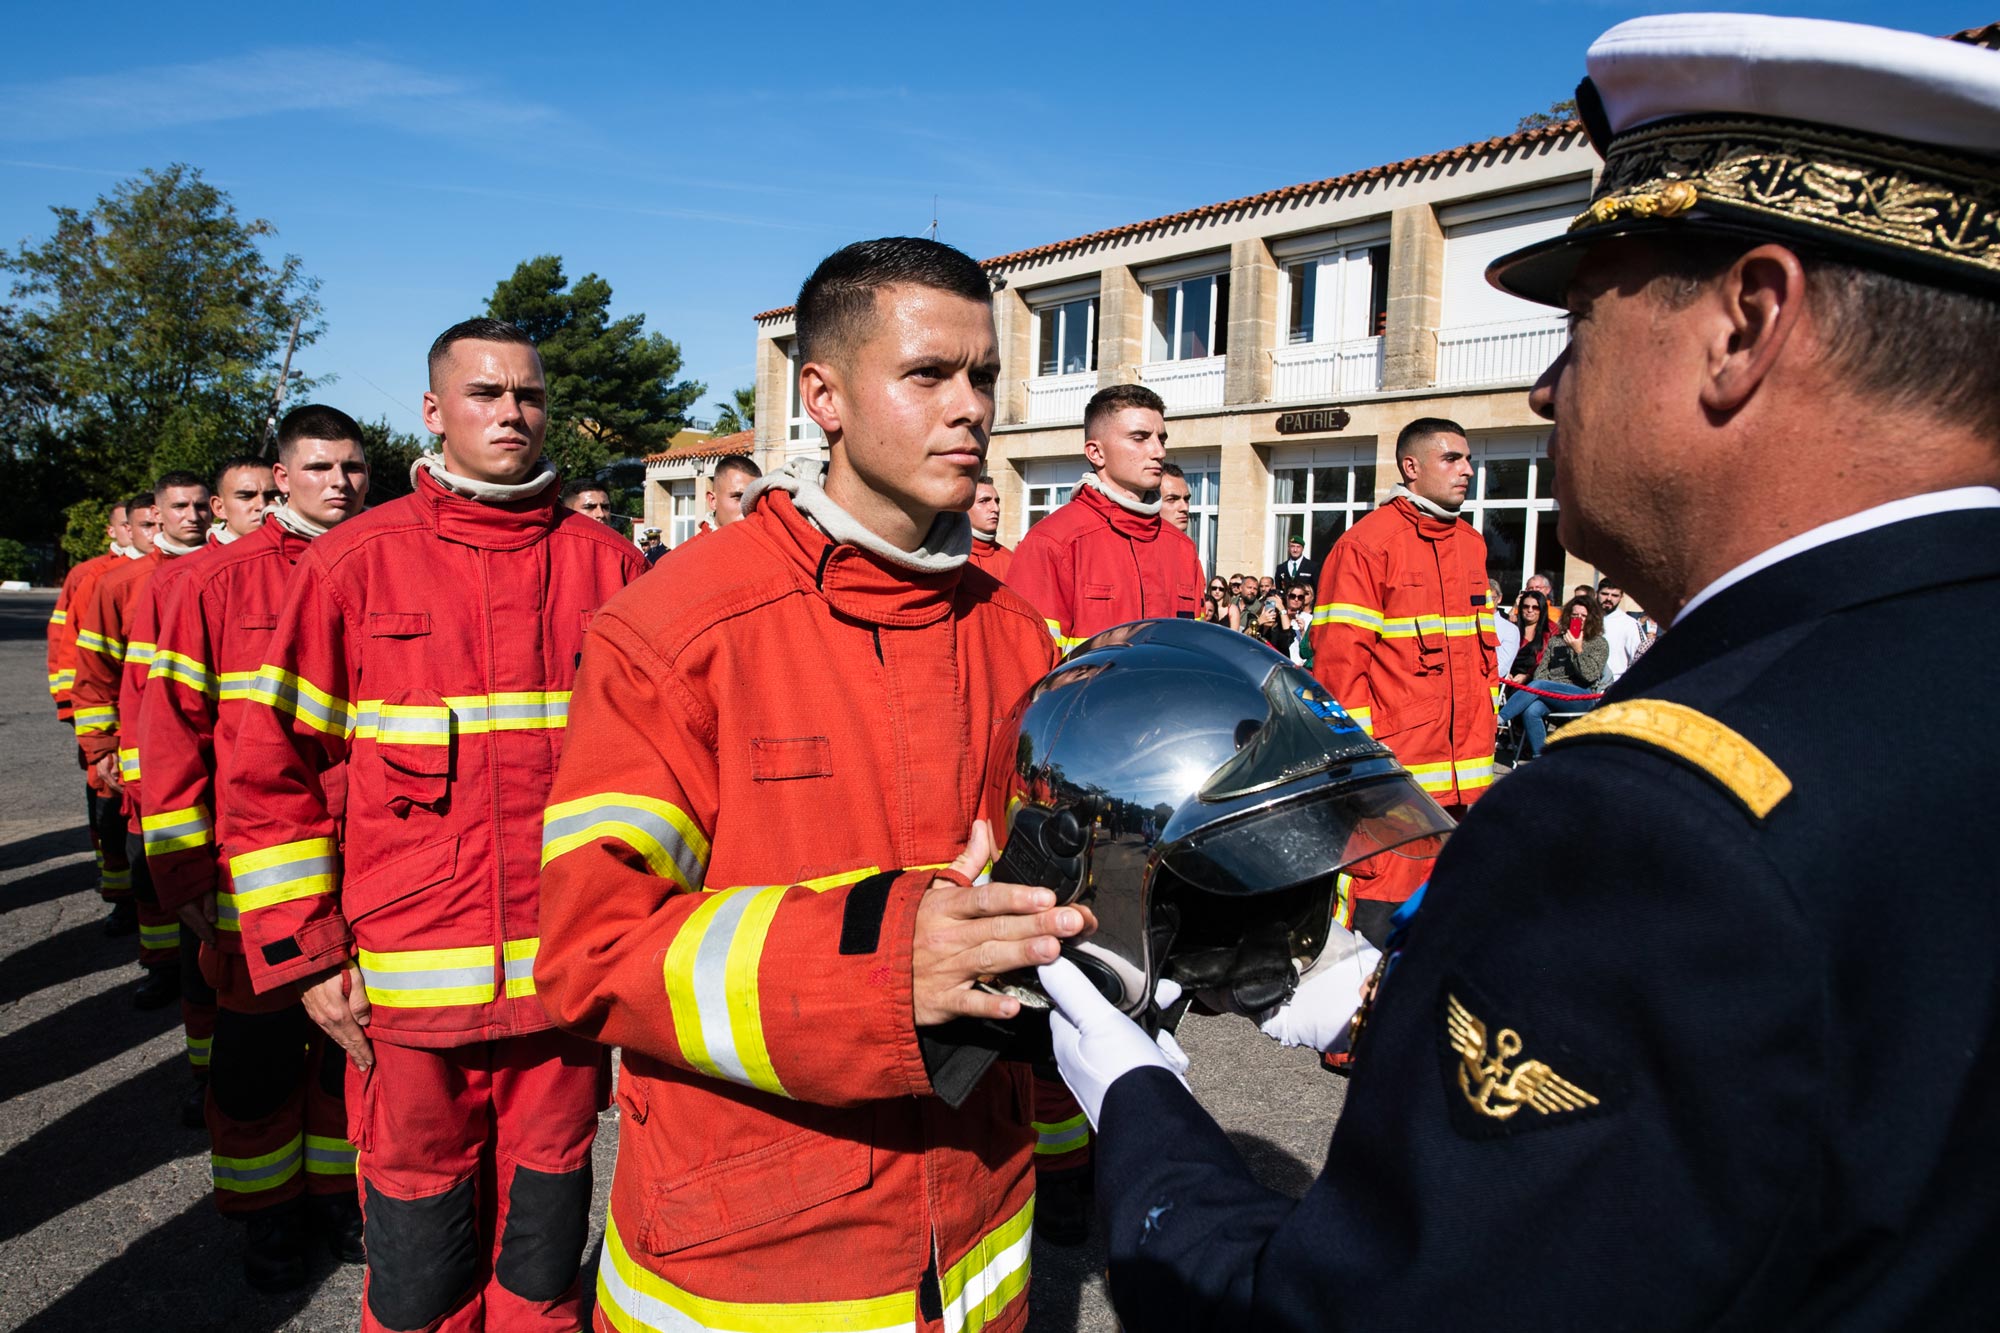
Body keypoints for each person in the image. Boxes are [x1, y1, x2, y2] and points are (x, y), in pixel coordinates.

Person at [1035, 15, 2000, 1327]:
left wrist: (1140, 1109)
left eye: (1580, 323)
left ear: (1747, 325)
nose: (1547, 389)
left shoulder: (1657, 828)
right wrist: (1374, 1002)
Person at [535, 237, 1084, 1329]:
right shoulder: (675, 630)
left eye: (982, 375)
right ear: (821, 395)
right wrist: (880, 971)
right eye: (927, 375)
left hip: (976, 1236)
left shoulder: (1021, 635)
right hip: (756, 1255)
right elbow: (593, 950)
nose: (969, 407)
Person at [223, 319, 645, 1332]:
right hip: (408, 990)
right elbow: (268, 769)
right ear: (433, 412)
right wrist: (307, 954)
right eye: (485, 394)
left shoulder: (612, 569)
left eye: (529, 396)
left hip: (560, 987)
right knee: (416, 1249)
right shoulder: (353, 566)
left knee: (545, 1238)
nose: (511, 413)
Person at [141, 419, 360, 1289]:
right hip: (251, 870)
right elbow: (170, 732)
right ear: (280, 476)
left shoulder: (373, 562)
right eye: (319, 467)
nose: (339, 482)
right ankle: (265, 1216)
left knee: (351, 1054)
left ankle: (338, 1197)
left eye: (354, 467)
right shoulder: (210, 582)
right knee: (258, 1062)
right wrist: (183, 867)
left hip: (357, 864)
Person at [1309, 416, 1497, 941]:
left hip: (1470, 779)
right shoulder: (1367, 545)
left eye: (1468, 459)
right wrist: (1361, 772)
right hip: (1397, 780)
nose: (1467, 470)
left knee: (1453, 923)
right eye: (1452, 459)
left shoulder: (1472, 545)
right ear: (1411, 467)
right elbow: (1341, 673)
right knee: (1380, 925)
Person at [73, 472, 213, 1009]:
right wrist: (102, 748)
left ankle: (199, 974)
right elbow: (93, 674)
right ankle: (160, 967)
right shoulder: (118, 584)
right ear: (157, 513)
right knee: (151, 868)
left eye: (201, 506)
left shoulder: (230, 571)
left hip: (200, 753)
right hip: (140, 756)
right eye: (179, 507)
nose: (192, 516)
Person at [1010, 382, 1204, 652]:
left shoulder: (1182, 548)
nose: (1159, 452)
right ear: (1096, 452)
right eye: (1140, 438)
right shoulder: (1053, 543)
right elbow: (1025, 661)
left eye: (1162, 439)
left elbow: (1194, 652)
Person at [1498, 592, 1605, 760]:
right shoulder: (1557, 641)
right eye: (1575, 615)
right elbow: (1541, 671)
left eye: (1583, 615)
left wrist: (1577, 650)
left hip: (1581, 696)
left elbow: (1590, 675)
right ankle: (1540, 758)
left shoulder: (1598, 643)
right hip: (1552, 694)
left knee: (1538, 685)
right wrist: (1549, 684)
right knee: (1532, 710)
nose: (1579, 619)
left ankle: (1499, 719)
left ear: (1591, 618)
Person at [967, 472, 1015, 579]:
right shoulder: (947, 558)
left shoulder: (1011, 561)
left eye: (997, 501)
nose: (996, 509)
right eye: (984, 501)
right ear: (963, 506)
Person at [1596, 578, 1643, 682]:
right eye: (1604, 594)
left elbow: (1640, 657)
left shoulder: (1629, 624)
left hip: (1613, 683)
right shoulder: (1585, 617)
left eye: (1614, 595)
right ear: (1597, 593)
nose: (1609, 598)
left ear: (1621, 597)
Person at [1503, 588, 1552, 685]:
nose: (1530, 610)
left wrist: (1528, 676)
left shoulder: (1549, 632)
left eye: (1535, 607)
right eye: (1526, 606)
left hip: (1534, 681)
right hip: (1506, 679)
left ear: (1542, 609)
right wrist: (1504, 673)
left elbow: (1547, 663)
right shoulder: (1511, 627)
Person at [705, 453, 761, 529]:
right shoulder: (700, 541)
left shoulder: (766, 540)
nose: (749, 508)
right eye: (739, 497)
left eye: (756, 499)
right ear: (713, 501)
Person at [1159, 460, 1193, 534]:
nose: (1185, 508)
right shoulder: (1132, 544)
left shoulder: (1187, 545)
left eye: (1186, 499)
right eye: (1171, 499)